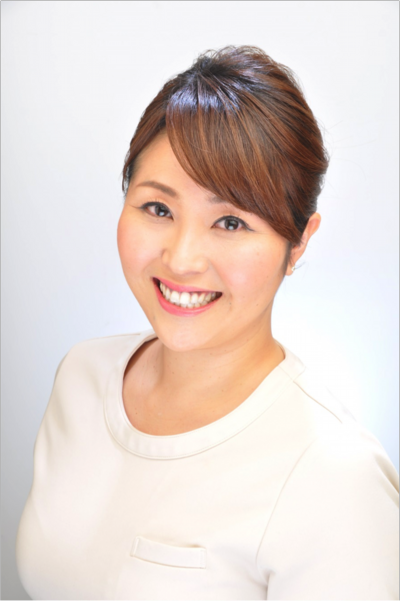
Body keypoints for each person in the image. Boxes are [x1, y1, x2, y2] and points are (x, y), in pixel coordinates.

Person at [16, 46, 399, 601]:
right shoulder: (82, 376)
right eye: (158, 209)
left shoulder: (334, 474)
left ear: (298, 242)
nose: (181, 259)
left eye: (231, 222)